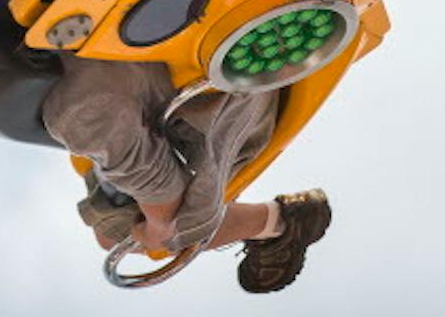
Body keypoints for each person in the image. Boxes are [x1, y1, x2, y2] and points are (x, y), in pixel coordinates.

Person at [40, 49, 335, 294]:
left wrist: (161, 218)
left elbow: (93, 112)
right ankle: (275, 222)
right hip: (208, 90)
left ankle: (276, 222)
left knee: (146, 228)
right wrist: (161, 218)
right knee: (123, 231)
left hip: (215, 87)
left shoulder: (85, 109)